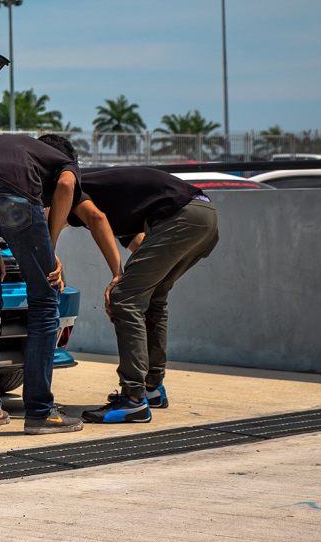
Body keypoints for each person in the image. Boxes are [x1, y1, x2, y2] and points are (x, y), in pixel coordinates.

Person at [39, 135, 219, 424]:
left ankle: (133, 399)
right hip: (202, 214)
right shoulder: (111, 196)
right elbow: (137, 242)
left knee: (124, 298)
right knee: (152, 297)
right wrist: (131, 280)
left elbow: (96, 219)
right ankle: (152, 388)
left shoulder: (74, 186)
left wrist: (118, 280)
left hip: (181, 216)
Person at [0, 134, 84, 434]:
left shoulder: (17, 149)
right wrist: (50, 250)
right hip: (8, 192)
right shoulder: (63, 162)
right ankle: (39, 413)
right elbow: (65, 185)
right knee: (45, 299)